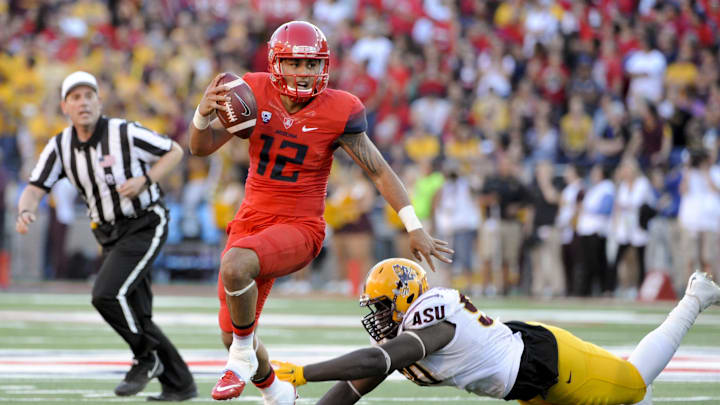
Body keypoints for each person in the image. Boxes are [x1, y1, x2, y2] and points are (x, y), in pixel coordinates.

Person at [188, 21, 452, 403]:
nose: (303, 72)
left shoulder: (338, 110)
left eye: (312, 65)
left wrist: (413, 225)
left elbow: (379, 170)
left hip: (300, 226)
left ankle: (240, 360)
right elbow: (200, 147)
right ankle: (276, 391)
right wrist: (202, 113)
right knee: (233, 332)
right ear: (277, 63)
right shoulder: (253, 91)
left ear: (324, 67)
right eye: (295, 63)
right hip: (249, 221)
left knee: (235, 268)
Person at [272, 257, 720, 405]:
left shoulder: (431, 317)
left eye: (384, 305)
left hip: (546, 362)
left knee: (634, 386)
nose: (378, 316)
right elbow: (353, 387)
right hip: (521, 380)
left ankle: (695, 296)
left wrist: (304, 374)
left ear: (408, 298)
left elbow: (377, 361)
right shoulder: (403, 336)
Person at [15, 71, 196, 401]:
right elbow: (35, 186)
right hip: (108, 233)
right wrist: (25, 209)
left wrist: (145, 179)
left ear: (100, 100)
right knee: (138, 315)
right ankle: (180, 384)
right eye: (75, 97)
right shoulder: (60, 146)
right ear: (64, 106)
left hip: (145, 223)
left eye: (89, 95)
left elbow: (174, 151)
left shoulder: (123, 132)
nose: (83, 102)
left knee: (106, 294)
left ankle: (146, 358)